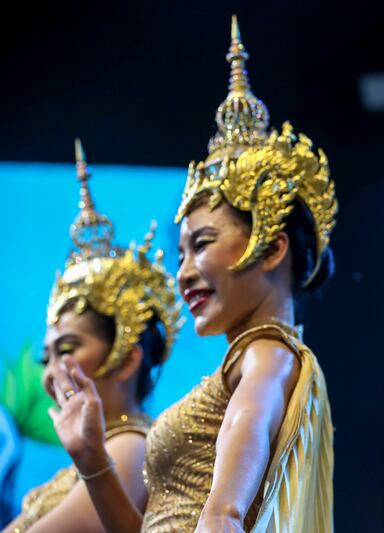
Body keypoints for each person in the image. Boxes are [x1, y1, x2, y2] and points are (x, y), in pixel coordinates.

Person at [43, 17, 336, 533]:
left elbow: (223, 513)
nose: (184, 273)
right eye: (180, 254)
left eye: (202, 245)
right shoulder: (247, 362)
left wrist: (222, 514)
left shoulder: (267, 354)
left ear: (271, 249)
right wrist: (90, 454)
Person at [3, 140, 181, 533]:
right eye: (44, 357)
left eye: (67, 349)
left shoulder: (130, 447)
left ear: (128, 358)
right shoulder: (100, 452)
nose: (50, 372)